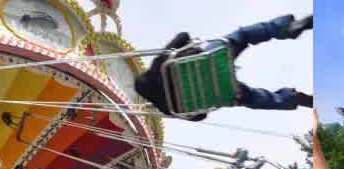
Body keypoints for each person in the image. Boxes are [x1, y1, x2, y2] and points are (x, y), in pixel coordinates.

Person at [134, 14, 313, 120]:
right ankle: (286, 27)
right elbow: (183, 36)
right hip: (211, 62)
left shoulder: (167, 108)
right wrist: (190, 47)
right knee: (242, 36)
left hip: (222, 91)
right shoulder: (158, 66)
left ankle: (290, 98)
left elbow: (199, 116)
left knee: (250, 98)